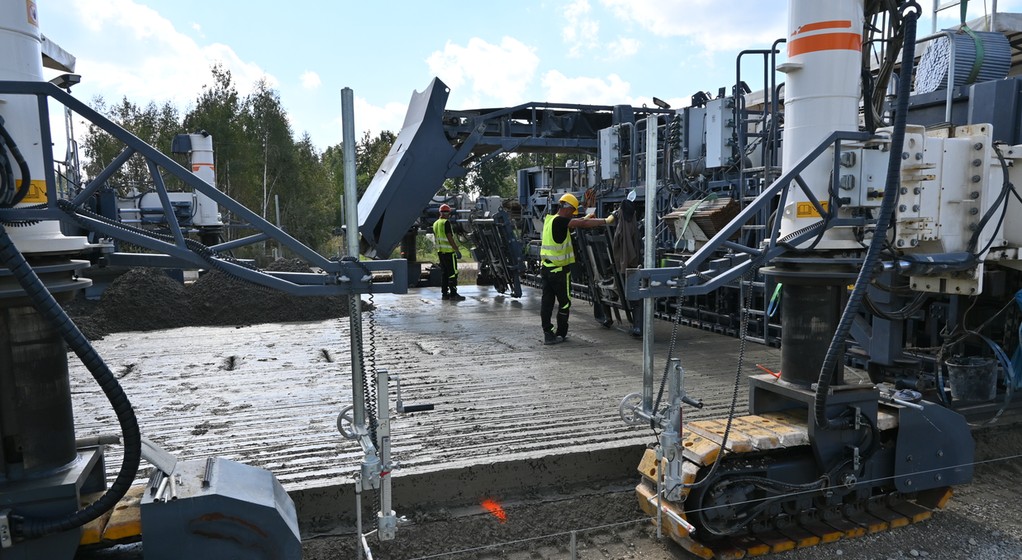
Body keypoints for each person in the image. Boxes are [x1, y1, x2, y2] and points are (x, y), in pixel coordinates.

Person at [541, 192, 614, 345]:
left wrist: (586, 217)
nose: (572, 215)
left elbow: (578, 221)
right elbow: (581, 224)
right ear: (567, 208)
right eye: (572, 212)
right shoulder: (561, 221)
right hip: (559, 271)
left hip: (546, 269)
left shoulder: (550, 219)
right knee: (565, 303)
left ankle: (548, 333)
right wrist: (606, 221)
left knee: (547, 302)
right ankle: (561, 334)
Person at [433, 203, 465, 300]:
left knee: (444, 273)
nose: (447, 214)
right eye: (447, 212)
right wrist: (456, 249)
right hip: (449, 253)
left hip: (440, 252)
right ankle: (454, 294)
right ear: (448, 213)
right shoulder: (446, 223)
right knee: (453, 273)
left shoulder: (435, 223)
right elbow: (449, 237)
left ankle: (444, 294)